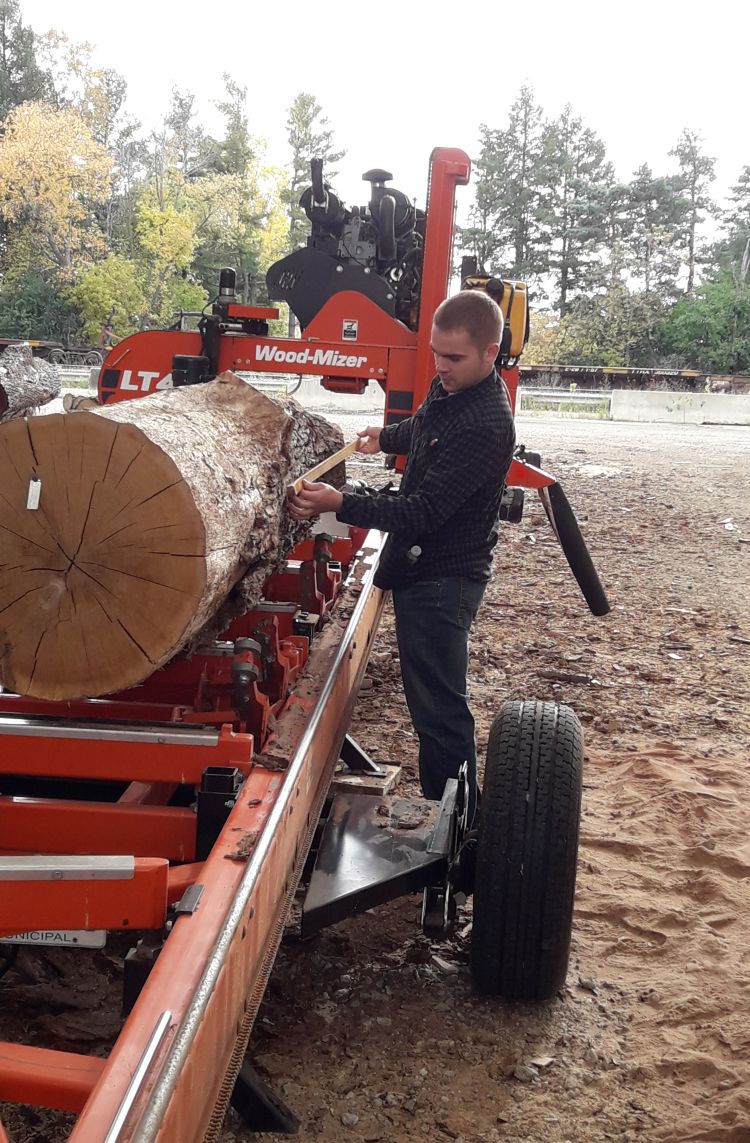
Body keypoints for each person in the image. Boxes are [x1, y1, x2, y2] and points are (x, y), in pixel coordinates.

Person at [287, 291, 515, 825]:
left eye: (454, 358)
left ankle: (455, 827)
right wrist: (383, 438)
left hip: (443, 579)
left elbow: (424, 511)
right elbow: (428, 425)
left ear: (490, 351)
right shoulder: (454, 385)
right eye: (437, 354)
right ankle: (451, 817)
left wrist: (340, 503)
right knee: (431, 702)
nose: (441, 367)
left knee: (438, 711)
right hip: (422, 568)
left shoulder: (488, 424)